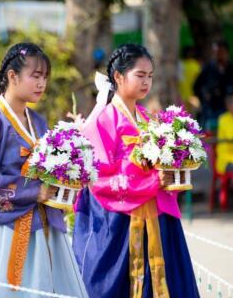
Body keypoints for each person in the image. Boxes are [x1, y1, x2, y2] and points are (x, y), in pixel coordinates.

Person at [0, 43, 87, 298]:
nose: (41, 83)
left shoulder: (39, 121)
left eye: (45, 77)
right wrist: (33, 192)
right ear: (12, 76)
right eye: (35, 76)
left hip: (41, 226)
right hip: (0, 231)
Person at [72, 44, 199, 297]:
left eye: (150, 76)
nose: (146, 82)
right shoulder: (102, 120)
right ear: (118, 77)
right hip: (118, 223)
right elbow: (99, 178)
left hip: (154, 217)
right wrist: (153, 179)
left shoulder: (147, 118)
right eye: (140, 75)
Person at [194, 39, 233, 132]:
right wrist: (204, 98)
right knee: (210, 138)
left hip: (231, 112)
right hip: (211, 110)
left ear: (226, 52)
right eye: (215, 52)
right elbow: (196, 87)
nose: (218, 55)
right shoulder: (208, 68)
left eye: (220, 52)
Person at [178, 46, 201, 112]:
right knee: (191, 117)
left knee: (184, 116)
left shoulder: (180, 64)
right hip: (191, 96)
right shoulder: (195, 65)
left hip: (184, 96)